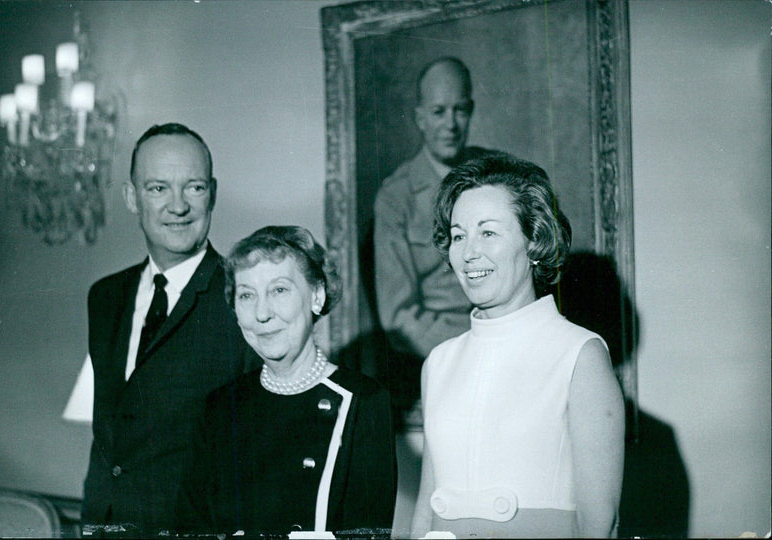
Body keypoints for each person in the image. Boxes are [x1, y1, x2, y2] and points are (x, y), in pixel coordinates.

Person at [412, 154, 625, 538]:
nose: (469, 252)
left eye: (488, 232)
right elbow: (427, 506)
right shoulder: (440, 363)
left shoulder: (580, 354)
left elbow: (599, 524)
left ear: (534, 241)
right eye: (459, 235)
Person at [82, 123, 260, 535]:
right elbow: (112, 437)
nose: (177, 206)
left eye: (194, 187)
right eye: (158, 188)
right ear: (132, 197)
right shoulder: (105, 298)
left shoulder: (245, 297)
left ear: (212, 193)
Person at [176, 225, 398, 536]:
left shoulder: (363, 401)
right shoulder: (218, 407)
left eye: (279, 290)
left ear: (316, 296)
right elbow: (191, 528)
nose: (262, 313)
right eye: (247, 295)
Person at [373, 57, 501, 409]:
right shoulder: (395, 197)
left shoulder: (499, 175)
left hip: (509, 341)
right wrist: (477, 346)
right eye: (438, 112)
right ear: (420, 119)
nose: (450, 124)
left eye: (460, 110)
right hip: (445, 362)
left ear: (471, 111)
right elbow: (398, 317)